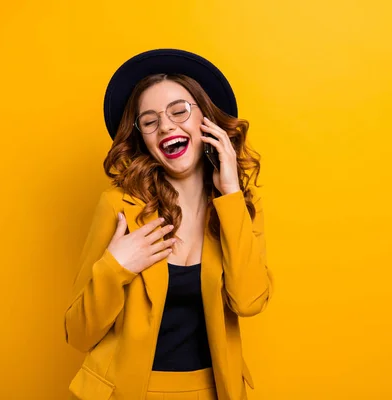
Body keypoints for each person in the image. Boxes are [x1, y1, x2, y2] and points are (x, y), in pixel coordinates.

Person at [64, 49, 273, 400]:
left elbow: (249, 302)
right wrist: (116, 268)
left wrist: (230, 194)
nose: (166, 126)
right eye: (149, 121)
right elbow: (78, 333)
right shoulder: (119, 207)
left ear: (206, 120)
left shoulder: (240, 206)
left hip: (212, 391)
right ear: (143, 138)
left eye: (179, 111)